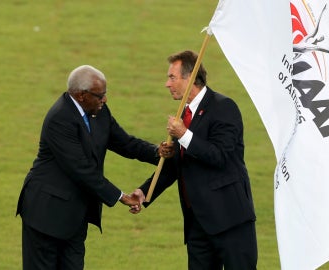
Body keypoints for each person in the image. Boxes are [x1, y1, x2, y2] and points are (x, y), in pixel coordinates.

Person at [16, 65, 172, 270]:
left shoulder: (98, 110)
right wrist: (121, 196)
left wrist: (156, 152)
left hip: (74, 217)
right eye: (100, 96)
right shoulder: (60, 119)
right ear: (81, 95)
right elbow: (81, 170)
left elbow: (124, 142)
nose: (104, 100)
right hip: (45, 214)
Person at [132, 50, 258, 269]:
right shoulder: (184, 116)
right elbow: (177, 167)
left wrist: (184, 135)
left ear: (189, 78)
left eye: (172, 77)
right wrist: (145, 193)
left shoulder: (224, 107)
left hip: (230, 221)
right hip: (197, 224)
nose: (167, 84)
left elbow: (220, 157)